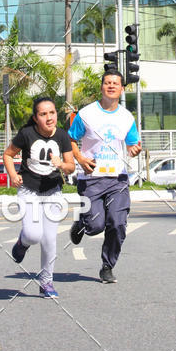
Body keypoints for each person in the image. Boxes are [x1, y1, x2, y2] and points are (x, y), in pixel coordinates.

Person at [68, 71, 141, 284]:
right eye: (107, 82)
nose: (111, 86)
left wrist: (133, 150)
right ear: (101, 87)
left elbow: (131, 145)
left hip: (118, 179)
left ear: (121, 89)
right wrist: (81, 159)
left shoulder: (127, 117)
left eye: (115, 83)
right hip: (91, 178)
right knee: (96, 226)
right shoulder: (86, 114)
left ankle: (107, 266)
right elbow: (70, 139)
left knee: (117, 224)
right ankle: (82, 222)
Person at [4, 95, 75, 297]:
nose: (49, 117)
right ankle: (22, 243)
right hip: (29, 191)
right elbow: (8, 154)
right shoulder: (26, 134)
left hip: (53, 190)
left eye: (52, 112)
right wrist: (12, 175)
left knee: (49, 239)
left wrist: (61, 164)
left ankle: (46, 283)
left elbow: (70, 166)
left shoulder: (62, 136)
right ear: (36, 118)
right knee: (34, 235)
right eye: (43, 114)